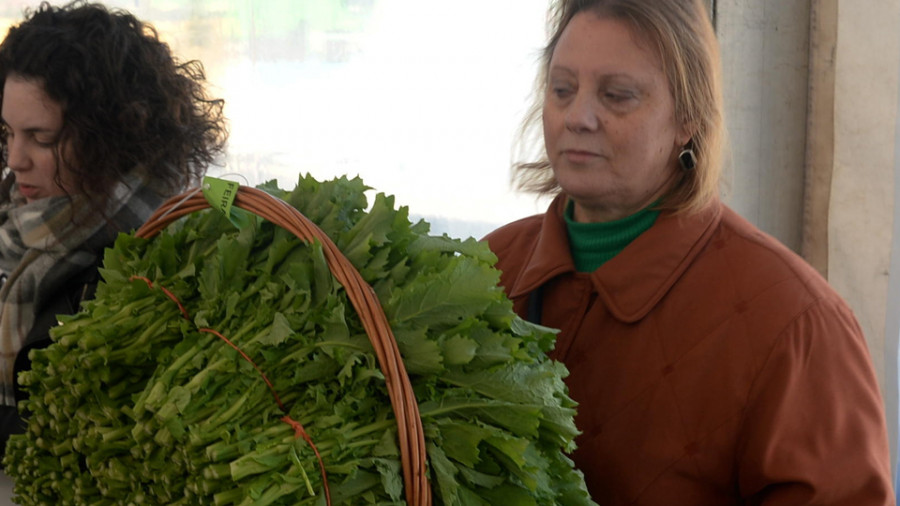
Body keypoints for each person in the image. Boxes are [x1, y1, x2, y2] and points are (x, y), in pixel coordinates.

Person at [483, 0, 895, 504]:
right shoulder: (489, 270)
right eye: (562, 88)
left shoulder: (796, 324)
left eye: (617, 96)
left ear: (689, 119)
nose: (578, 117)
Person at [0, 1, 227, 453]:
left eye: (41, 138)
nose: (15, 160)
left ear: (110, 135)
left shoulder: (151, 265)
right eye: (7, 133)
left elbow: (72, 436)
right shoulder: (21, 218)